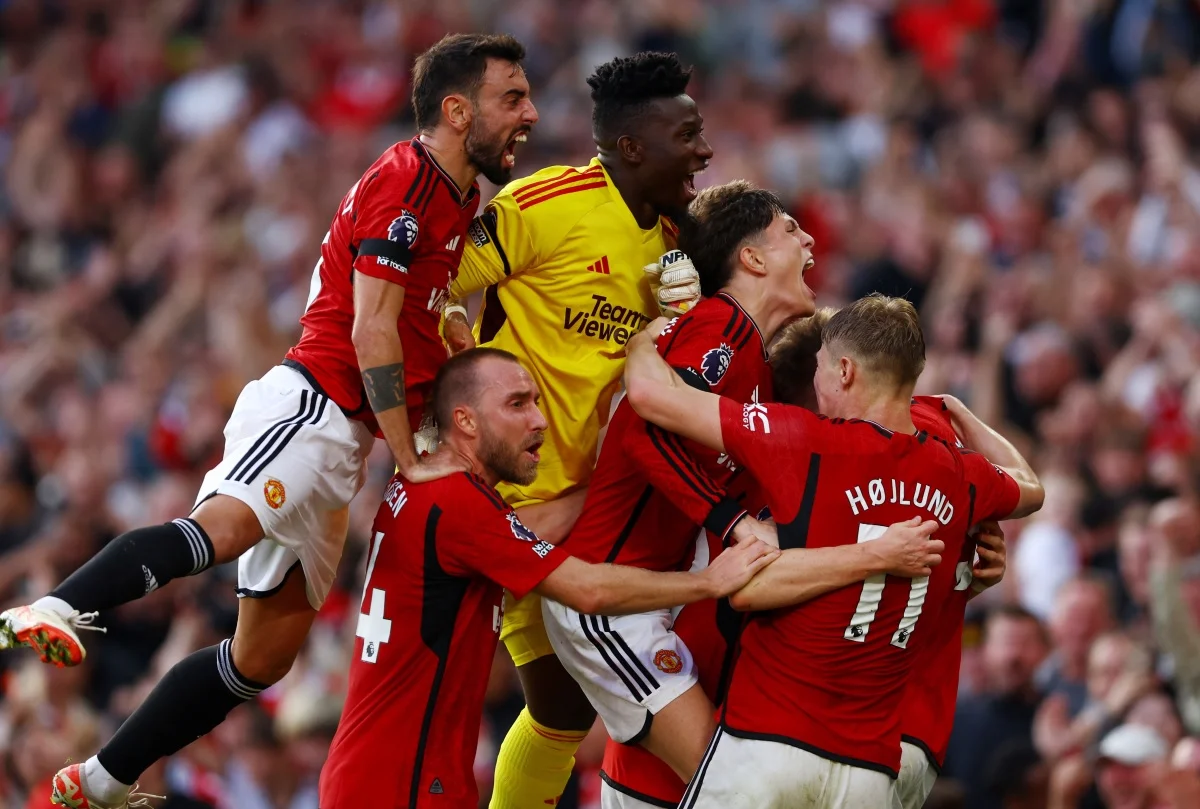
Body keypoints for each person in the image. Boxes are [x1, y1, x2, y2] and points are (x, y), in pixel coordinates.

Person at [1, 33, 540, 809]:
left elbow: (406, 311)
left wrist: (447, 330)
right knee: (220, 530)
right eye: (511, 98)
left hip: (340, 439)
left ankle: (101, 779)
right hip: (312, 406)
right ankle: (55, 606)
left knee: (261, 658)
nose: (528, 113)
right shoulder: (408, 179)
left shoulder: (455, 198)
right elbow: (371, 331)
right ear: (458, 111)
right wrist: (410, 454)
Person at [543, 181, 938, 787]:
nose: (810, 239)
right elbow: (644, 436)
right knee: (725, 787)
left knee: (724, 785)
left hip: (651, 599)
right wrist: (732, 522)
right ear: (751, 258)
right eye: (790, 230)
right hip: (611, 601)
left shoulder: (752, 360)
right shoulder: (720, 327)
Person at [621, 294, 1045, 808]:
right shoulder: (962, 474)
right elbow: (1030, 486)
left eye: (821, 366)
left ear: (844, 370)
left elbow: (650, 396)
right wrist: (961, 413)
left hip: (769, 744)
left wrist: (641, 339)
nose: (818, 382)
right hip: (870, 771)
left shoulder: (803, 441)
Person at [317, 347, 779, 809]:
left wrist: (614, 487)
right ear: (466, 421)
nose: (539, 420)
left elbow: (521, 527)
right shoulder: (459, 503)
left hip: (382, 771)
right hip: (402, 783)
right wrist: (708, 582)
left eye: (536, 402)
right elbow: (587, 590)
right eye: (517, 404)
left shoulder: (428, 488)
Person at [440, 52, 714, 808]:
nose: (704, 150)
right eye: (686, 135)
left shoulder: (674, 242)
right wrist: (458, 342)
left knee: (565, 709)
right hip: (519, 498)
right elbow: (436, 276)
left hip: (602, 504)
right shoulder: (548, 204)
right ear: (632, 147)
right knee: (522, 700)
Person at [769, 309, 1020, 809]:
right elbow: (1026, 487)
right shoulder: (934, 436)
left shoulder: (795, 458)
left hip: (823, 734)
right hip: (905, 733)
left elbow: (752, 591)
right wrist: (966, 575)